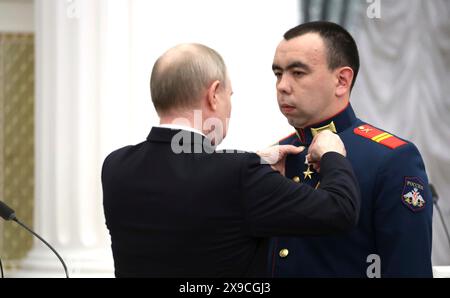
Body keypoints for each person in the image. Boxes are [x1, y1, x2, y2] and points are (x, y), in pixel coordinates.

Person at [102, 43, 361, 277]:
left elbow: (184, 193)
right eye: (230, 95)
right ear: (213, 94)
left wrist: (252, 168)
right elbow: (340, 210)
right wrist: (331, 153)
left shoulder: (115, 166)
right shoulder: (239, 174)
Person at [269, 21, 433, 278]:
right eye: (278, 74)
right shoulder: (278, 153)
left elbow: (407, 267)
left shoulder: (391, 158)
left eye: (297, 73)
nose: (282, 85)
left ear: (342, 81)